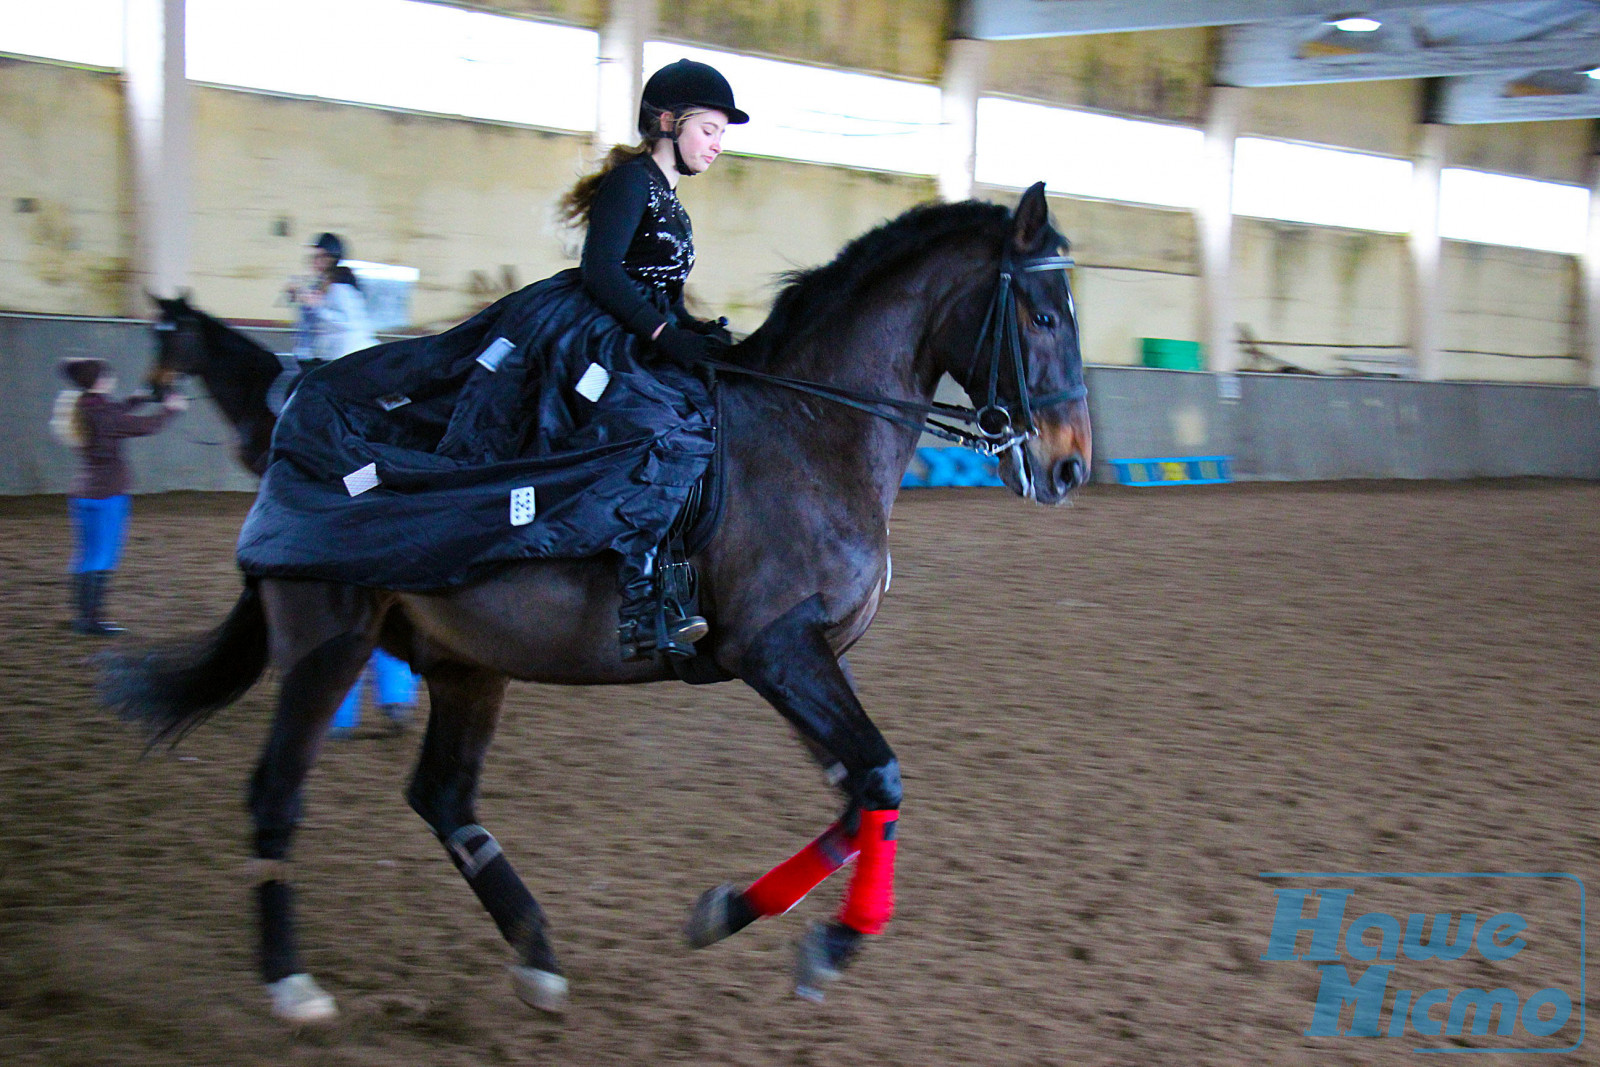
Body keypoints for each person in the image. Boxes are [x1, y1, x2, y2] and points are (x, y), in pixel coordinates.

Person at [555, 57, 747, 660]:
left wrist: (696, 330)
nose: (717, 146)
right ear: (668, 122)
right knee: (660, 430)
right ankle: (639, 598)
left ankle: (686, 569)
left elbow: (658, 285)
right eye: (709, 130)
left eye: (721, 135)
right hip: (604, 337)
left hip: (646, 329)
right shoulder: (633, 182)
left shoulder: (669, 196)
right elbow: (602, 272)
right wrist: (668, 335)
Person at [284, 233, 416, 735]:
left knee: (347, 620)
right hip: (383, 522)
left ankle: (339, 714)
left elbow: (317, 320)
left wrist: (302, 296)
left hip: (351, 520)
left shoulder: (334, 292)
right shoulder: (345, 295)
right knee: (394, 615)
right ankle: (394, 702)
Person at [52, 358, 187, 635]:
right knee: (103, 557)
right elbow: (147, 427)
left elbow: (116, 411)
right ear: (101, 381)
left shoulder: (84, 406)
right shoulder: (104, 414)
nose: (112, 379)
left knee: (86, 555)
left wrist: (141, 397)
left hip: (83, 494)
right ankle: (93, 621)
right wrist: (171, 410)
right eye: (108, 376)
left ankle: (82, 617)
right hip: (108, 495)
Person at [286, 232, 378, 366]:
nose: (315, 261)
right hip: (328, 357)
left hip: (350, 357)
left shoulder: (341, 288)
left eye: (321, 256)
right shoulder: (322, 283)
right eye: (314, 256)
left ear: (332, 258)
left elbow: (348, 323)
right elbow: (310, 323)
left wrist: (316, 307)